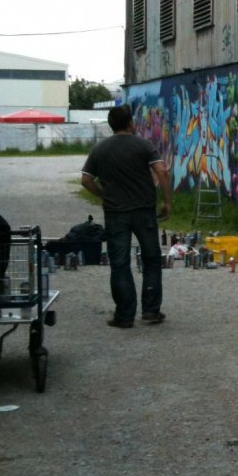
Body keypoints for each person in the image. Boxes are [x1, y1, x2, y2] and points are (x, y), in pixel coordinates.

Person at [81, 105, 172, 328]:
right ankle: (150, 310)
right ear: (130, 123)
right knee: (151, 259)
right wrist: (167, 201)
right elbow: (162, 170)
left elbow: (86, 180)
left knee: (120, 263)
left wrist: (103, 195)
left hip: (115, 214)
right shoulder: (144, 145)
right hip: (144, 211)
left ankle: (124, 315)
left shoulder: (100, 149)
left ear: (111, 125)